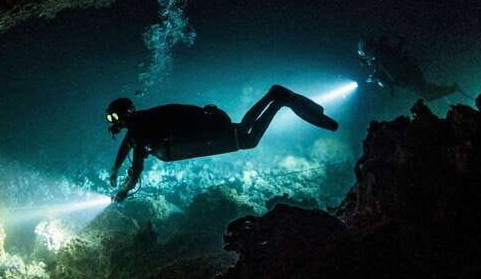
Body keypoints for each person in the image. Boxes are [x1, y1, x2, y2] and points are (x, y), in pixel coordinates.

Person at [105, 85, 338, 202]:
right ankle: (277, 98)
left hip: (208, 133)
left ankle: (276, 98)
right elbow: (127, 145)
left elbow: (136, 169)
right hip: (208, 129)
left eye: (114, 117)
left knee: (248, 138)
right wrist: (115, 170)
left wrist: (123, 192)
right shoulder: (142, 123)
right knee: (245, 130)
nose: (114, 123)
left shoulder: (141, 127)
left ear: (125, 113)